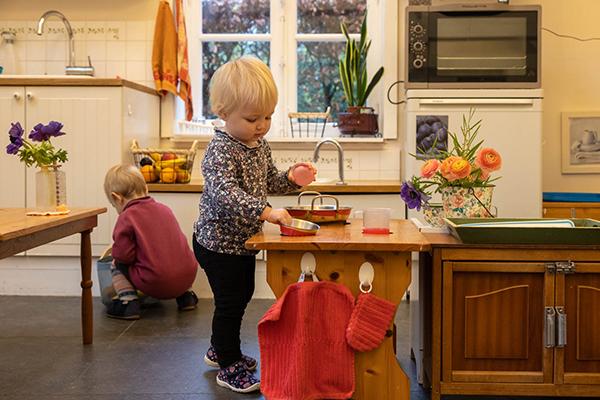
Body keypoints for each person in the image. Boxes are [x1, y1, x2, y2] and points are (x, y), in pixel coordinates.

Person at [193, 56, 316, 394]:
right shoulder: (220, 150)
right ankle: (228, 364)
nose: (261, 125)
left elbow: (269, 180)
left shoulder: (258, 145)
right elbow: (225, 194)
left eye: (267, 117)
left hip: (242, 242)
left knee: (241, 295)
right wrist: (265, 211)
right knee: (230, 302)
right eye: (252, 118)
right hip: (217, 243)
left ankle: (219, 348)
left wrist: (292, 178)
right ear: (223, 112)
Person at [103, 164, 199, 320]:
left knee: (116, 262)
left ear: (116, 198)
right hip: (188, 275)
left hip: (156, 283)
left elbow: (123, 256)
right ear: (146, 188)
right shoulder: (165, 209)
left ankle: (128, 303)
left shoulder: (126, 217)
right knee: (174, 258)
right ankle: (186, 297)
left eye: (114, 205)